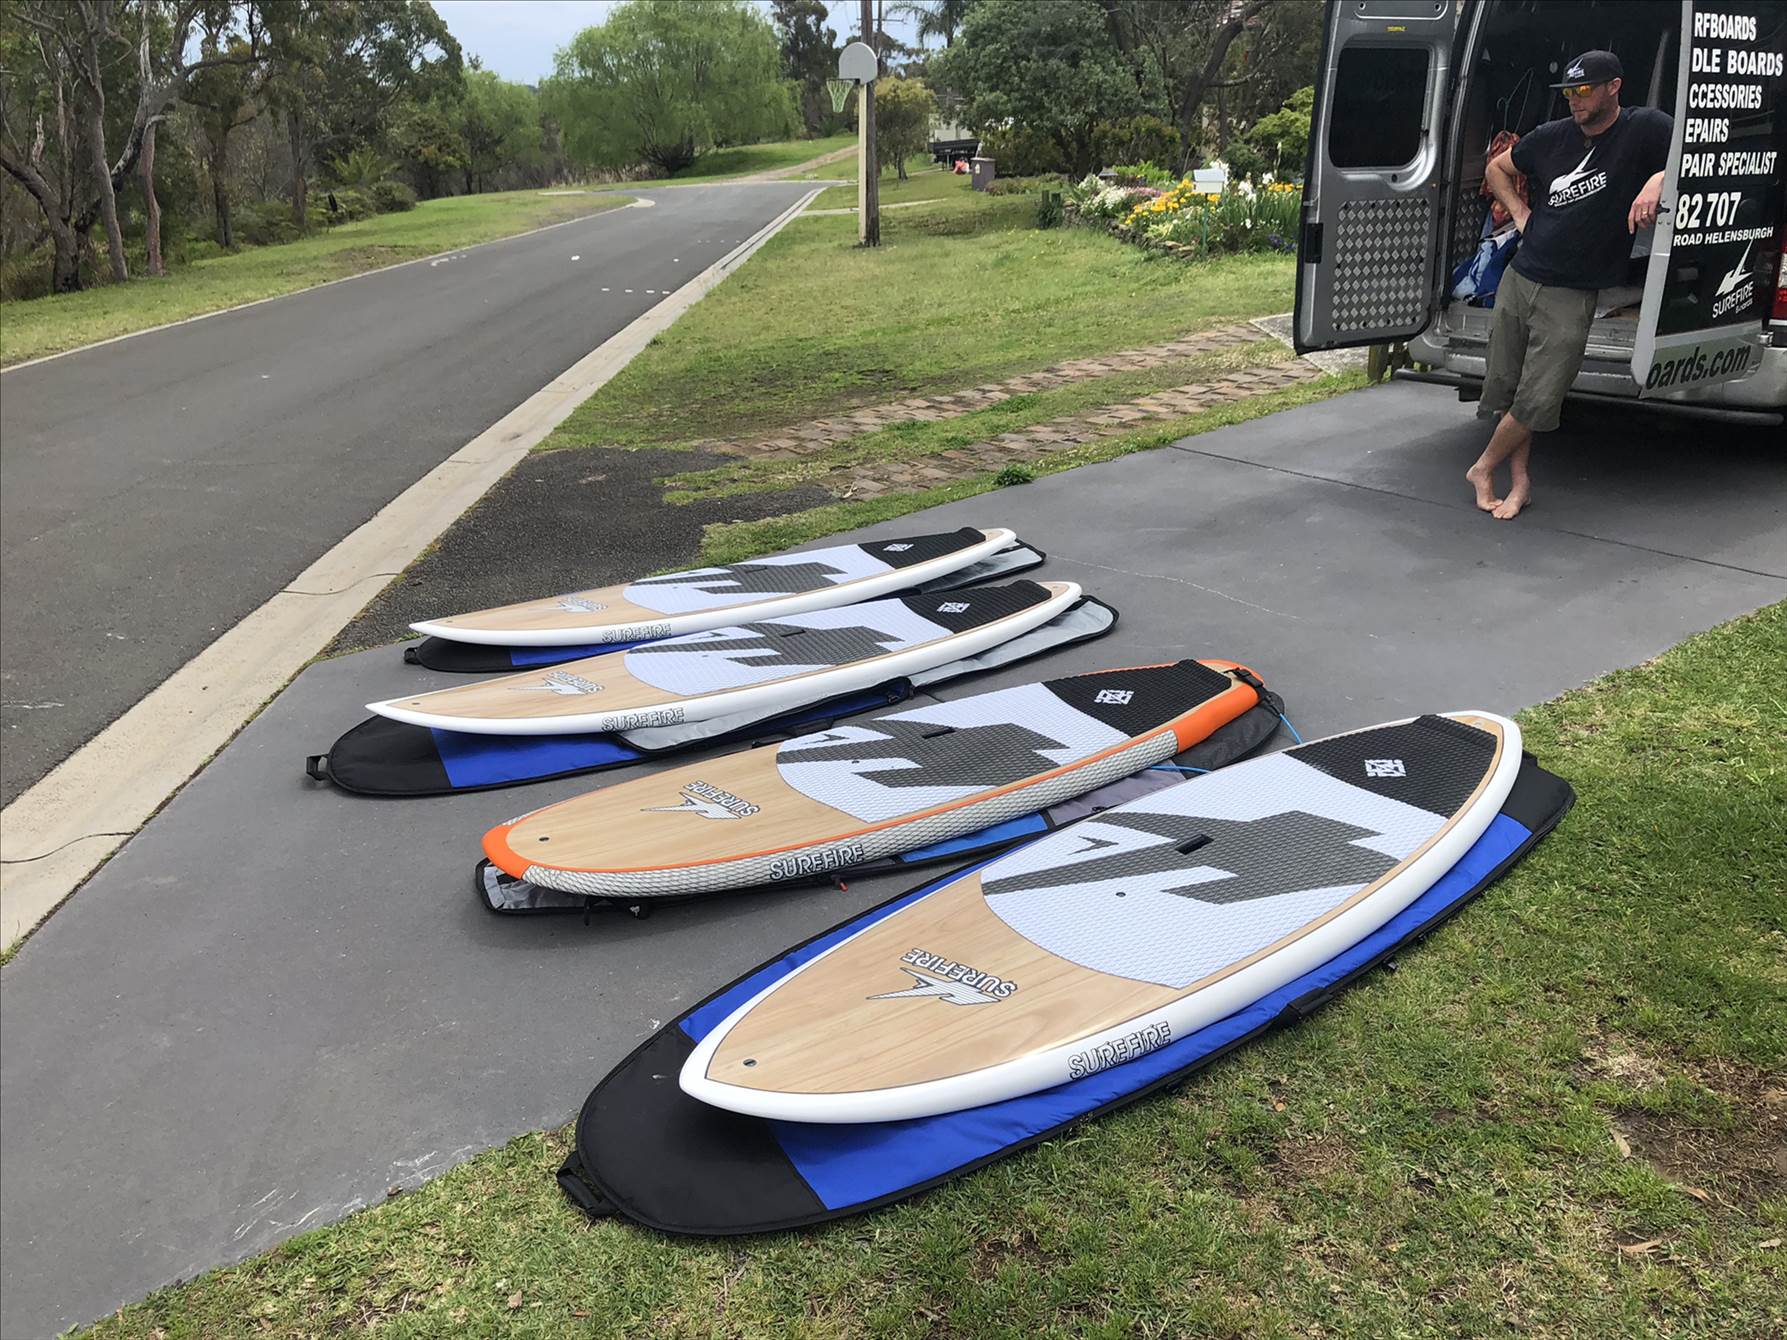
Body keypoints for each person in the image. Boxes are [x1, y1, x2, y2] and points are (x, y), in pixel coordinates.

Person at [1466, 51, 1672, 519]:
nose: (1574, 101)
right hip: (1521, 277)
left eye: (1583, 90)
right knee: (1508, 387)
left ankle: (1482, 467)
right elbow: (1497, 169)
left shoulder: (1643, 128)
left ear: (1613, 87)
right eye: (1568, 93)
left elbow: (1699, 150)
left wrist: (1659, 178)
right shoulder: (1551, 136)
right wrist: (1521, 215)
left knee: (1540, 396)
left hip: (1573, 291)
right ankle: (1519, 483)